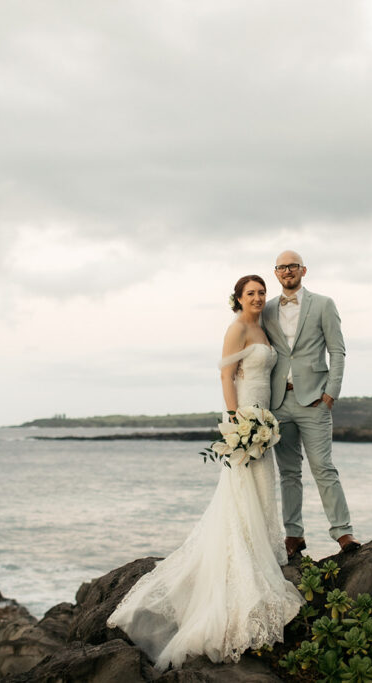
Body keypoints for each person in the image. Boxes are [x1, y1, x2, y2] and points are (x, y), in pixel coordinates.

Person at [107, 275, 303, 670]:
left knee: (262, 489)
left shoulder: (262, 327)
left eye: (262, 292)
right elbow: (226, 377)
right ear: (238, 298)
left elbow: (268, 370)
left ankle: (259, 549)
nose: (258, 297)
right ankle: (244, 560)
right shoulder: (235, 330)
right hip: (247, 419)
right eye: (252, 293)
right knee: (241, 491)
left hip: (263, 417)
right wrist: (237, 424)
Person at [262, 250, 358, 559]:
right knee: (289, 473)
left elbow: (338, 351)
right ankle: (294, 536)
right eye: (281, 267)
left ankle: (343, 532)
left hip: (315, 400)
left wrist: (331, 392)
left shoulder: (324, 304)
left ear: (303, 270)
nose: (287, 271)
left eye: (292, 266)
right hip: (278, 402)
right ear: (276, 273)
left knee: (323, 468)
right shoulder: (267, 309)